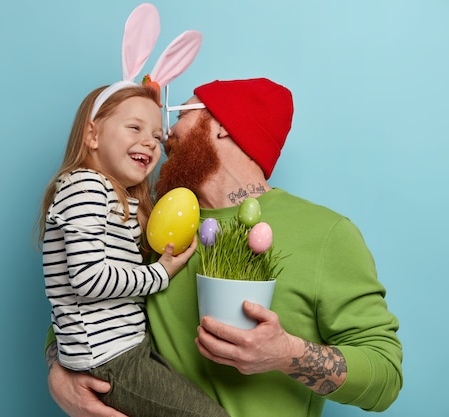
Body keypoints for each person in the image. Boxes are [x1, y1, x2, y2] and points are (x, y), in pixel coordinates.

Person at [45, 77, 403, 417]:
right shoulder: (154, 223)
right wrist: (59, 373)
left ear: (222, 124)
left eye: (181, 115)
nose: (165, 136)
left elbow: (385, 376)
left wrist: (287, 354)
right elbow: (80, 295)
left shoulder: (326, 233)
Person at [39, 82, 231, 417]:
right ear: (92, 135)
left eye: (157, 136)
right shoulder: (85, 187)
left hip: (125, 349)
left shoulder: (115, 196)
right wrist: (160, 274)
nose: (150, 142)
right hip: (108, 357)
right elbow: (88, 279)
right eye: (134, 128)